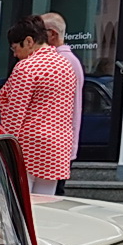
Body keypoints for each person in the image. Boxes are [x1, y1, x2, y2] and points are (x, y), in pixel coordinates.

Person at [0, 15, 78, 197]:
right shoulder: (65, 65)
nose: (15, 54)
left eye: (15, 48)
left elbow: (15, 115)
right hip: (58, 145)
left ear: (29, 41)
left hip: (29, 145)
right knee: (46, 201)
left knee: (20, 201)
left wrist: (6, 147)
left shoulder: (26, 68)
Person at [41, 12, 85, 150]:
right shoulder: (68, 60)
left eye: (39, 33)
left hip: (54, 142)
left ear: (52, 34)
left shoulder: (60, 61)